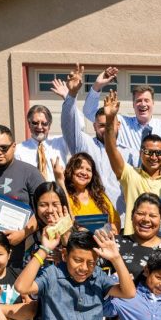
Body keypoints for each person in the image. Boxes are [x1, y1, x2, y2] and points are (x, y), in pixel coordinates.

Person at [101, 92, 161, 245]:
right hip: (133, 245)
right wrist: (109, 120)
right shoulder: (130, 175)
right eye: (148, 152)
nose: (154, 157)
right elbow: (111, 149)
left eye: (159, 153)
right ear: (141, 153)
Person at [53, 65, 133, 220]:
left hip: (121, 223)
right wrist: (72, 94)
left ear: (118, 125)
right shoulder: (85, 145)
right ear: (95, 126)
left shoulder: (130, 153)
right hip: (88, 219)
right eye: (101, 125)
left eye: (109, 124)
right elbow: (69, 124)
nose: (105, 129)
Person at [0, 125, 47, 267]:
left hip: (23, 255)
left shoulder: (30, 173)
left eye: (3, 148)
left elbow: (45, 212)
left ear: (14, 146)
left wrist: (23, 233)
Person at [82, 66, 161, 152]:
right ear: (133, 104)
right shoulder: (122, 123)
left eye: (146, 100)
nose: (143, 104)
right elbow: (89, 112)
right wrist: (98, 85)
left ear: (153, 103)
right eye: (138, 101)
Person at [60, 152, 120, 229]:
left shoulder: (99, 195)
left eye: (88, 170)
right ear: (71, 170)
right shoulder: (64, 195)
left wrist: (112, 231)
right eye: (80, 168)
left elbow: (115, 220)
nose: (84, 172)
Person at [14, 104, 71, 181]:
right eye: (35, 123)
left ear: (49, 125)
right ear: (29, 124)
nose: (39, 127)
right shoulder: (18, 150)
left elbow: (76, 128)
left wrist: (69, 98)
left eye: (44, 123)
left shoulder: (61, 142)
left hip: (58, 191)